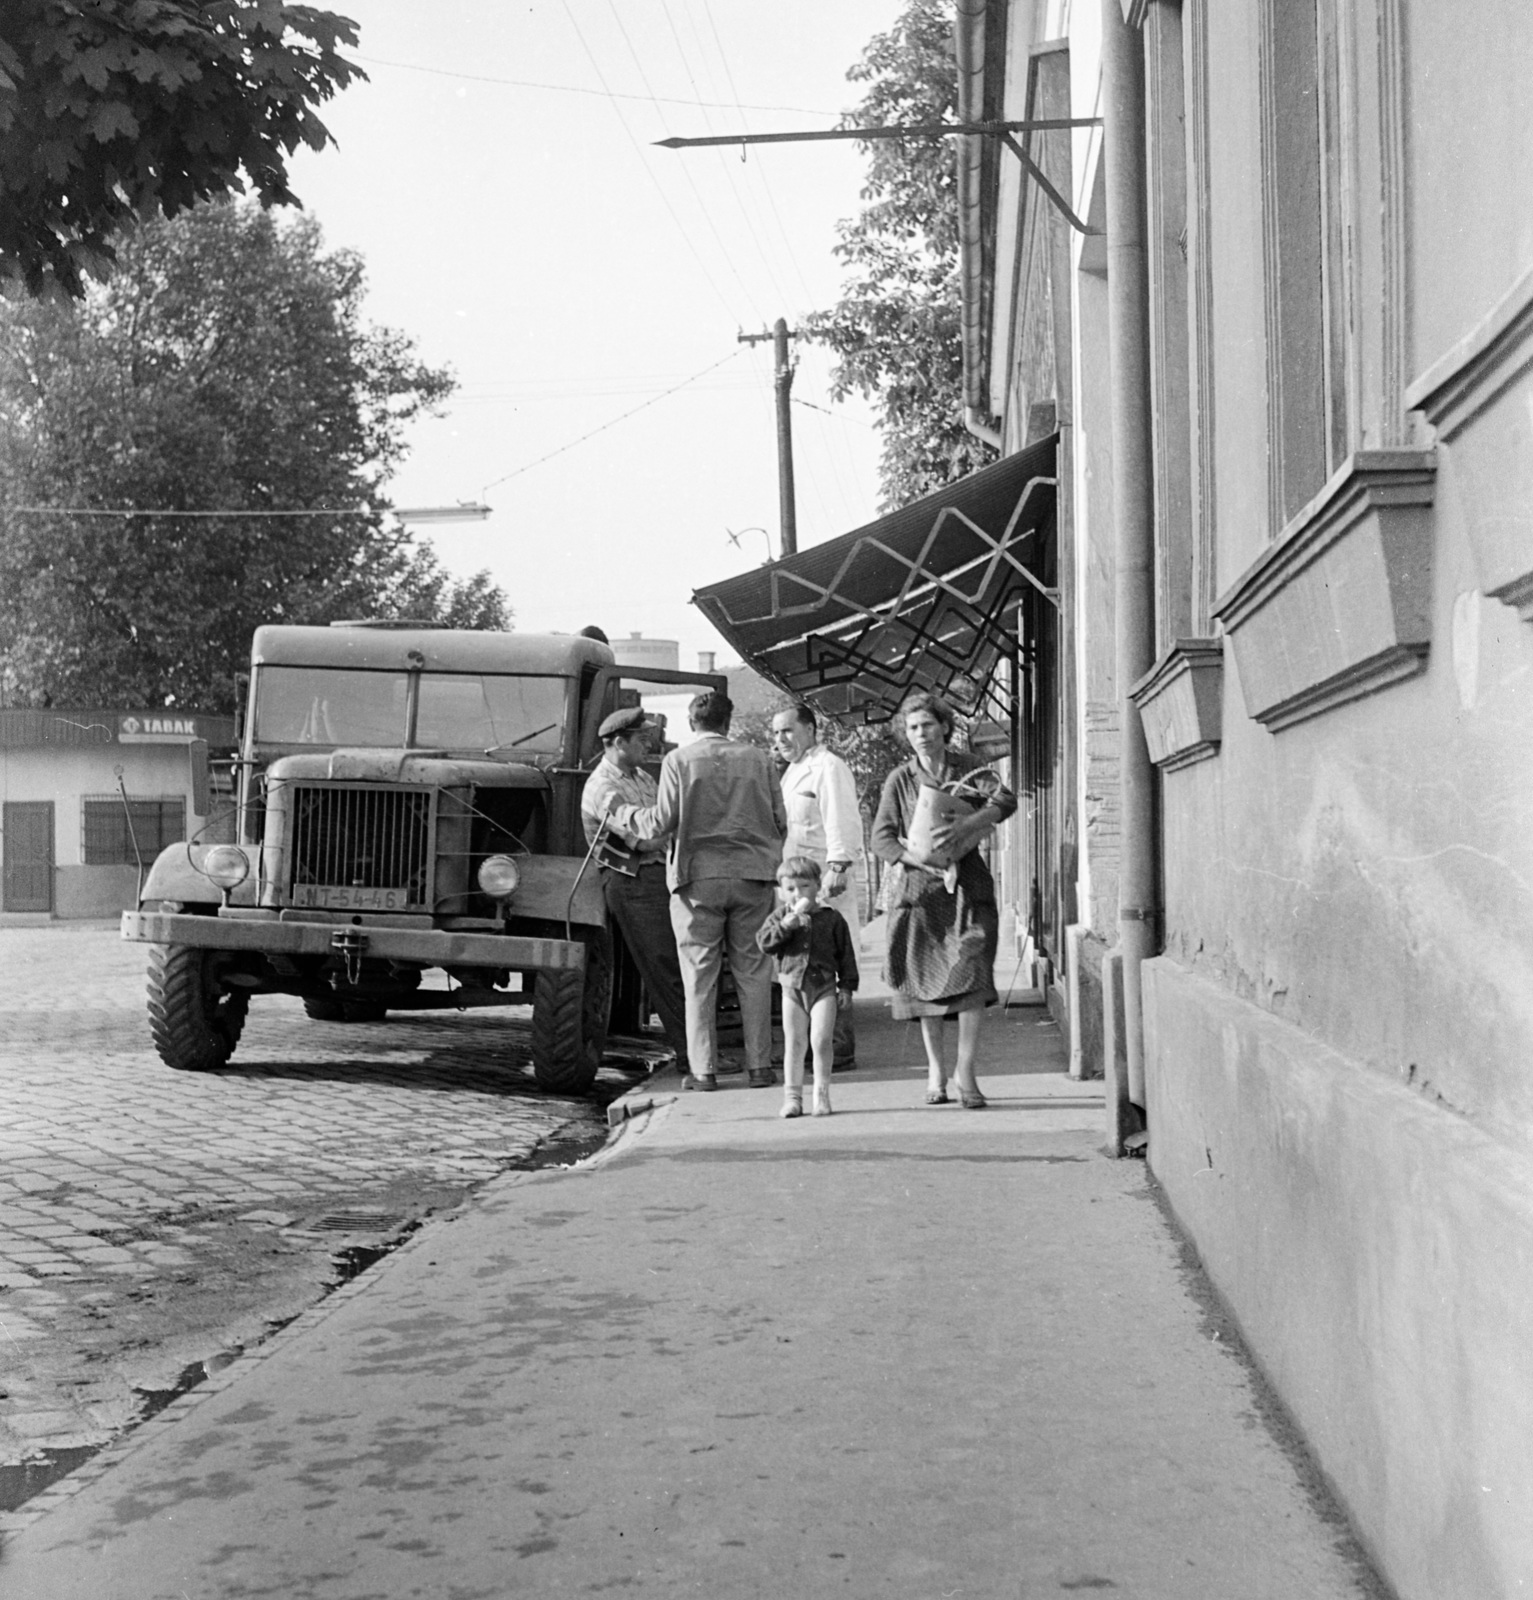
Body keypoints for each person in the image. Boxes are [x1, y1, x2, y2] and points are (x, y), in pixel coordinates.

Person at [605, 690, 786, 1091]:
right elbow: (779, 818)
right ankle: (760, 1067)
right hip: (753, 877)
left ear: (691, 724)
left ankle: (704, 1072)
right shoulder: (759, 759)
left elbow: (660, 822)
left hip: (696, 880)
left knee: (699, 976)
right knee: (754, 972)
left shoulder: (678, 761)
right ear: (729, 721)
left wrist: (622, 814)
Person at [870, 691, 1017, 1109]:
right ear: (906, 734)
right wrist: (913, 857)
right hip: (919, 893)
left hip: (968, 886)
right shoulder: (900, 779)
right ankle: (936, 1070)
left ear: (945, 727)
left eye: (928, 725)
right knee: (924, 986)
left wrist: (970, 823)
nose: (921, 734)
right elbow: (880, 836)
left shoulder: (969, 768)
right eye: (913, 727)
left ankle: (965, 1072)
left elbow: (1004, 799)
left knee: (972, 975)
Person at [580, 707, 691, 1077]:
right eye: (641, 738)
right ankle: (692, 1056)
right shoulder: (603, 787)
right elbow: (644, 839)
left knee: (678, 964)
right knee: (666, 968)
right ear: (617, 742)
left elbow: (665, 825)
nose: (650, 743)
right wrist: (666, 833)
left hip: (655, 879)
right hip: (632, 883)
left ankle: (697, 1050)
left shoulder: (641, 776)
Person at [770, 702, 865, 1072]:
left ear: (810, 729)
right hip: (797, 885)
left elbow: (842, 819)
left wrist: (838, 867)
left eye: (788, 730)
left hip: (825, 881)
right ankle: (811, 1045)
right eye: (776, 733)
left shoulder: (828, 767)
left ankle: (839, 1046)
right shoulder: (793, 772)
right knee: (802, 959)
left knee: (832, 958)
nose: (781, 739)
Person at [757, 856, 859, 1119]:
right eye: (790, 889)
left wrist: (846, 987)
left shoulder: (832, 918)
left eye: (804, 886)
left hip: (823, 985)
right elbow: (764, 943)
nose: (797, 894)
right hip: (791, 988)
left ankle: (821, 1092)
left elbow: (845, 955)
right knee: (794, 1042)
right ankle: (792, 1097)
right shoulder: (779, 917)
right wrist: (784, 928)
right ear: (781, 891)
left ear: (817, 886)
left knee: (821, 1039)